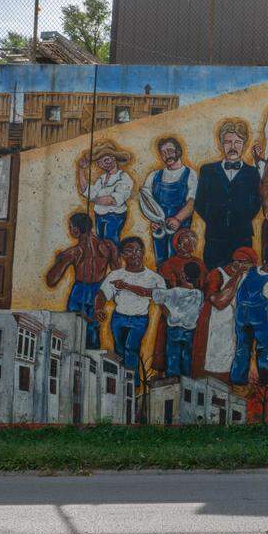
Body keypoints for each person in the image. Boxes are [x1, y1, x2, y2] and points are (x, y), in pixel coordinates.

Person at [194, 118, 263, 270]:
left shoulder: (253, 173)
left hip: (242, 237)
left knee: (241, 278)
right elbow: (199, 203)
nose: (233, 146)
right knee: (214, 279)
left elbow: (257, 204)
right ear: (221, 144)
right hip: (214, 238)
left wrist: (239, 219)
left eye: (237, 142)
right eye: (228, 142)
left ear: (244, 144)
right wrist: (215, 220)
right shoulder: (207, 171)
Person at [46, 213, 121, 350]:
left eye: (71, 227)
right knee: (93, 335)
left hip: (79, 292)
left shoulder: (74, 252)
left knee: (73, 332)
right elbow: (118, 274)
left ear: (76, 230)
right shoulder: (109, 246)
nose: (70, 230)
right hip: (99, 292)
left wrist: (60, 260)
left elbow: (51, 280)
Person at [95, 237, 164, 381]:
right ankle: (121, 383)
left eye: (138, 250)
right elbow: (102, 294)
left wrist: (126, 286)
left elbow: (155, 295)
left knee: (131, 348)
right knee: (119, 351)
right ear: (121, 255)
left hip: (139, 319)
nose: (134, 254)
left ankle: (132, 383)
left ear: (143, 252)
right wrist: (98, 309)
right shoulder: (116, 275)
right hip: (119, 318)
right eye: (129, 251)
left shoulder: (154, 278)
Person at [131, 261, 203, 378]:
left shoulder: (174, 292)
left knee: (173, 358)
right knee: (187, 359)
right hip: (190, 331)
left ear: (184, 275)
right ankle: (186, 385)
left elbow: (147, 292)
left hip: (174, 330)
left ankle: (173, 383)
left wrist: (127, 286)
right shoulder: (199, 294)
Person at [194, 247, 258, 378]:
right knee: (212, 371)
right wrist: (237, 276)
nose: (250, 270)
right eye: (248, 266)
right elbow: (219, 302)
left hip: (234, 331)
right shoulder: (217, 274)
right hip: (215, 330)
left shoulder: (248, 277)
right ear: (237, 263)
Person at [232, 243, 268, 386]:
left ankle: (264, 383)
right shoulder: (251, 271)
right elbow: (240, 292)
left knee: (263, 350)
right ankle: (238, 381)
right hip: (244, 317)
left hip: (263, 318)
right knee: (242, 348)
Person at [139, 137, 198, 265]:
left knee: (178, 262)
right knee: (161, 261)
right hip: (159, 229)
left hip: (180, 228)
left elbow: (192, 202)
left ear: (178, 151)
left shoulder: (190, 174)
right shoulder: (153, 176)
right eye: (164, 153)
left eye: (170, 151)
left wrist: (178, 219)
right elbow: (145, 200)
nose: (167, 155)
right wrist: (153, 221)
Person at [76, 141, 133, 247]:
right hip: (99, 216)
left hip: (115, 216)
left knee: (111, 244)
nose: (103, 164)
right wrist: (81, 170)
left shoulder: (124, 177)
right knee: (101, 245)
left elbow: (112, 200)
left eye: (105, 160)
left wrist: (93, 199)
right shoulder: (101, 179)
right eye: (99, 162)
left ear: (114, 158)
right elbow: (86, 191)